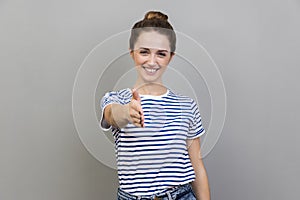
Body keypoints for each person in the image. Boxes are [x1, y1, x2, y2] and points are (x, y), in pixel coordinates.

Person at [100, 11, 210, 200]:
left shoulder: (187, 106)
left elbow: (197, 166)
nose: (152, 61)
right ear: (132, 52)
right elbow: (112, 115)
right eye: (144, 52)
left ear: (171, 57)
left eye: (161, 54)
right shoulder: (115, 99)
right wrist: (127, 112)